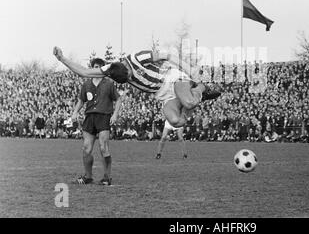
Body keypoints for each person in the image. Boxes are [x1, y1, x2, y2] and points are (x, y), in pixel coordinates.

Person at [53, 47, 221, 129]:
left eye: (130, 75)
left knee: (190, 102)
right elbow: (84, 72)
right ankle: (191, 101)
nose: (131, 79)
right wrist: (62, 59)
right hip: (162, 95)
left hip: (172, 78)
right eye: (128, 80)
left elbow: (167, 55)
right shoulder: (110, 69)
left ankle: (201, 88)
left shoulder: (138, 58)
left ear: (126, 67)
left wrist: (190, 69)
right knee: (176, 122)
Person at [71, 58, 123, 186]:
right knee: (86, 148)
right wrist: (75, 112)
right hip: (89, 117)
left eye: (98, 66)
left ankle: (107, 177)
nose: (96, 68)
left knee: (103, 147)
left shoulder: (109, 84)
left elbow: (119, 99)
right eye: (94, 66)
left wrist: (115, 114)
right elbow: (81, 100)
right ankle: (88, 176)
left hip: (103, 116)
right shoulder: (87, 84)